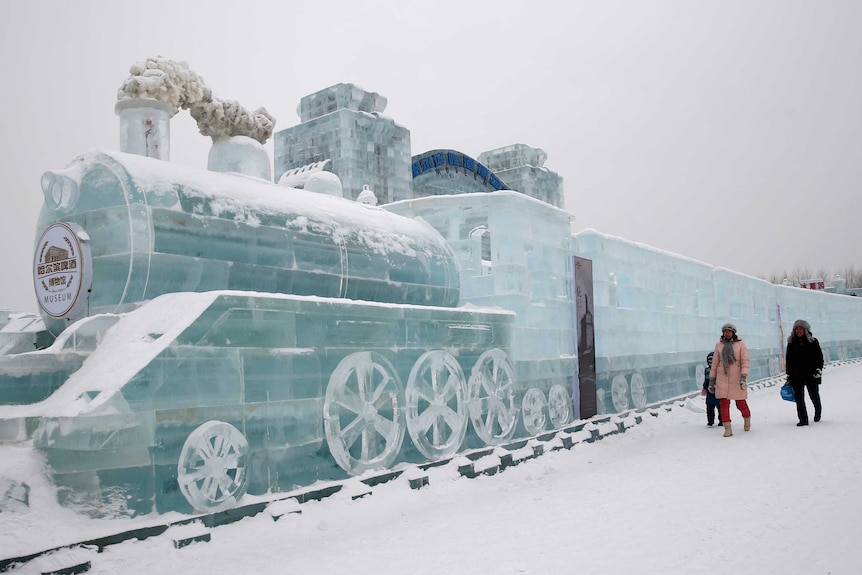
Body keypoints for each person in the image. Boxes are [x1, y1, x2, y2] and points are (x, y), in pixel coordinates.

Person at [708, 323, 751, 437]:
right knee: (723, 403)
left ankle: (747, 418)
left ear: (733, 332)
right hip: (722, 377)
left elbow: (745, 361)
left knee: (740, 403)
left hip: (736, 377)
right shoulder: (719, 345)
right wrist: (712, 379)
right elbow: (715, 363)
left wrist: (743, 376)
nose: (727, 333)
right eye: (725, 331)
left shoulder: (740, 344)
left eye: (729, 331)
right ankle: (727, 428)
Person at [785, 319, 824, 426]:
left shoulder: (813, 341)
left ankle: (818, 410)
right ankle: (803, 419)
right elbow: (788, 358)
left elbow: (819, 357)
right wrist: (789, 373)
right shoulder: (791, 342)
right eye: (797, 329)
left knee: (814, 395)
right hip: (796, 374)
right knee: (799, 398)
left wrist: (818, 369)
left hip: (811, 373)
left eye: (801, 328)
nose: (799, 330)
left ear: (805, 330)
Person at [701, 352, 722, 427]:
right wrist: (704, 388)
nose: (711, 361)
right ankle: (710, 421)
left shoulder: (721, 370)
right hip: (710, 391)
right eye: (710, 360)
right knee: (709, 407)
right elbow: (706, 380)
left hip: (719, 391)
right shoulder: (707, 370)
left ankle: (722, 420)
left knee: (721, 407)